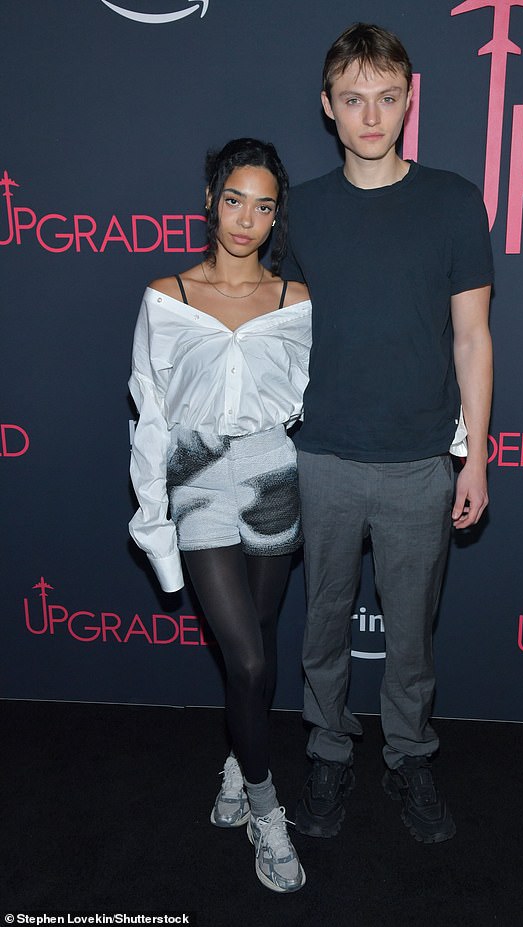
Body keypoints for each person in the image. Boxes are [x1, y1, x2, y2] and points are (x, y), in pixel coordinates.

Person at [283, 24, 494, 843]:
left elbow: (472, 337)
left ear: (409, 100)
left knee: (411, 638)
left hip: (418, 464)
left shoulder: (452, 199)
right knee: (322, 625)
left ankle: (409, 758)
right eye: (353, 99)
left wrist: (473, 454)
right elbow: (274, 338)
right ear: (329, 108)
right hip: (324, 456)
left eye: (387, 97)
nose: (371, 115)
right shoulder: (300, 211)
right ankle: (330, 752)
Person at [128, 138, 310, 893]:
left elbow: (294, 396)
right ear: (211, 198)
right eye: (235, 198)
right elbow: (148, 416)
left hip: (271, 470)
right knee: (249, 660)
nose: (247, 219)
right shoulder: (165, 295)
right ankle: (266, 811)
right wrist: (155, 522)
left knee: (263, 639)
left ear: (276, 216)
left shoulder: (292, 300)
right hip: (197, 474)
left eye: (264, 205)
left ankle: (240, 759)